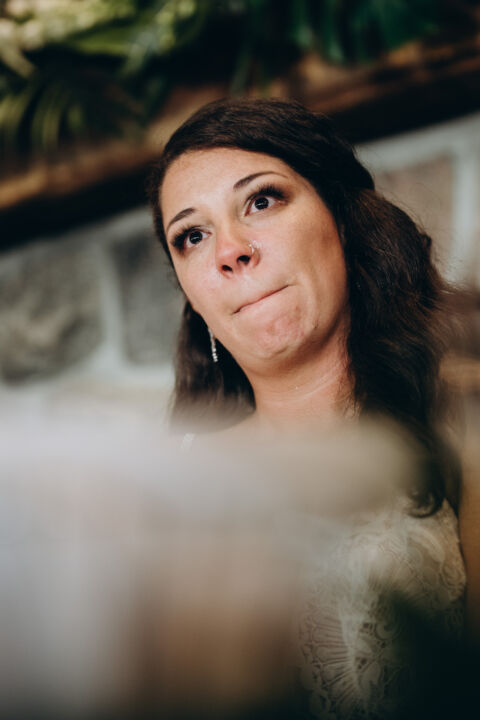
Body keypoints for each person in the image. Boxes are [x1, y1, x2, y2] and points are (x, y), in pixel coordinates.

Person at [147, 98, 471, 718]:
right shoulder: (172, 486)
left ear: (343, 219)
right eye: (192, 236)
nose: (231, 250)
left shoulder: (454, 411)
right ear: (193, 296)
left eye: (262, 200)